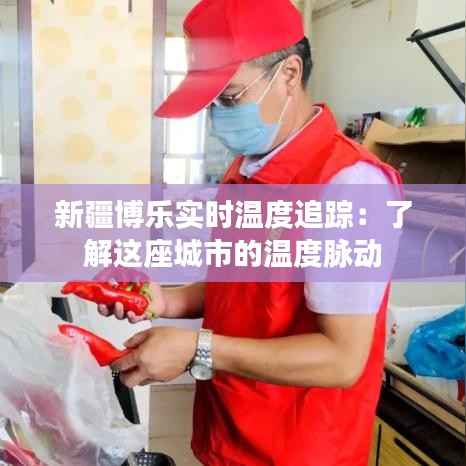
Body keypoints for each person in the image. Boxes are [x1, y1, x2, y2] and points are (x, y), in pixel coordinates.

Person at [104, 1, 402, 465]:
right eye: (212, 103)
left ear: (289, 74)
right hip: (229, 428)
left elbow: (342, 359)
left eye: (229, 98)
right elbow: (247, 288)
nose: (218, 118)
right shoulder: (247, 170)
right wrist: (166, 300)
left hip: (296, 449)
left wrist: (196, 347)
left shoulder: (349, 186)